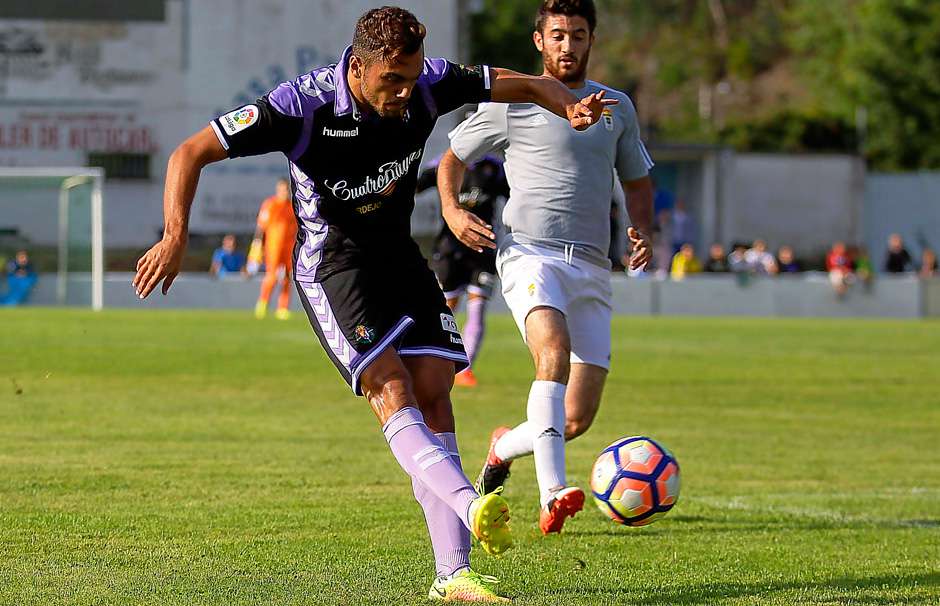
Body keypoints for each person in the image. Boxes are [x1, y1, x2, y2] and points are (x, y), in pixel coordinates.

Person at [132, 6, 614, 601]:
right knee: (389, 386)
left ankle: (453, 575)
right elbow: (190, 152)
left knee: (436, 386)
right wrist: (175, 235)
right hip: (335, 266)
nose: (405, 93)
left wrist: (562, 103)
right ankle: (470, 505)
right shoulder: (299, 105)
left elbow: (526, 81)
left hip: (398, 256)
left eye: (412, 79)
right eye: (392, 81)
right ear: (358, 67)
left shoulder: (428, 83)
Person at [439, 0, 654, 536]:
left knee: (575, 418)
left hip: (592, 264)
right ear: (540, 41)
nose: (567, 44)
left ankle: (503, 448)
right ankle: (552, 492)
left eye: (578, 35)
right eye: (557, 34)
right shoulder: (513, 99)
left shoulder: (616, 107)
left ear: (590, 41)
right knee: (551, 352)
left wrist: (642, 230)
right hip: (528, 251)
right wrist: (451, 208)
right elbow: (452, 157)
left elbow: (637, 179)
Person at [415, 154, 509, 388]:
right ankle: (431, 361)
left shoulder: (494, 168)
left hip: (483, 248)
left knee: (477, 308)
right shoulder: (443, 163)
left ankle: (465, 370)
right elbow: (415, 186)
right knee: (446, 309)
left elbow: (513, 199)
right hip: (449, 249)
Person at [253, 178, 299, 319]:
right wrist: (257, 243)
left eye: (286, 189)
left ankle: (283, 308)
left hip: (289, 246)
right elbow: (261, 226)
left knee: (287, 277)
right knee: (271, 276)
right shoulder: (270, 204)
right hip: (273, 247)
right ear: (277, 190)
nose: (284, 192)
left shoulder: (293, 206)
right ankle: (263, 303)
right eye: (281, 189)